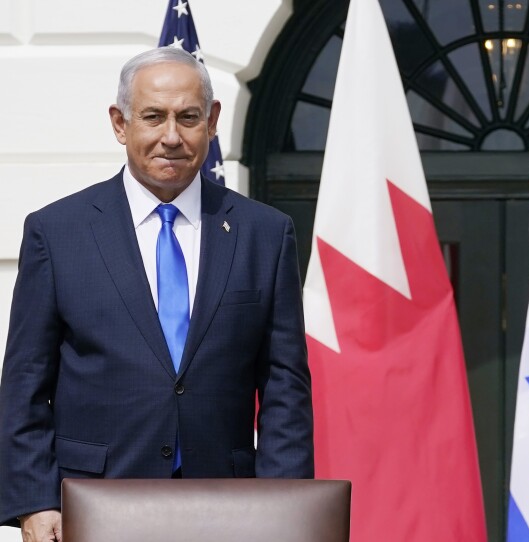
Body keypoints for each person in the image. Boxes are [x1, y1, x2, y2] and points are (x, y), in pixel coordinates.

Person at [0, 46, 314, 540]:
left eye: (188, 117)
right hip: (92, 504)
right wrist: (34, 500)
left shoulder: (265, 234)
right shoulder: (57, 232)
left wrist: (285, 507)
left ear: (212, 122)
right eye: (153, 117)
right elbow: (25, 385)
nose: (171, 136)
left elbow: (284, 388)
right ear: (120, 124)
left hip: (229, 509)